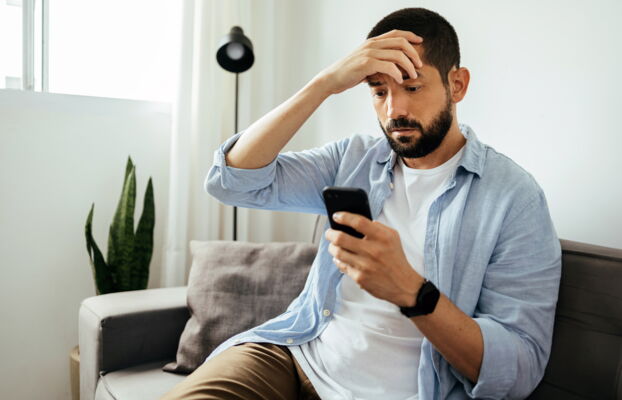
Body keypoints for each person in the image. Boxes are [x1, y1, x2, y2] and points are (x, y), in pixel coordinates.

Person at [161, 7, 561, 400]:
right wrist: (325, 83)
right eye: (380, 91)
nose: (394, 110)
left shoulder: (514, 198)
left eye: (412, 87)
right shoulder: (354, 159)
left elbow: (519, 368)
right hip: (297, 354)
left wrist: (412, 292)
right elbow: (232, 182)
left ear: (457, 85)